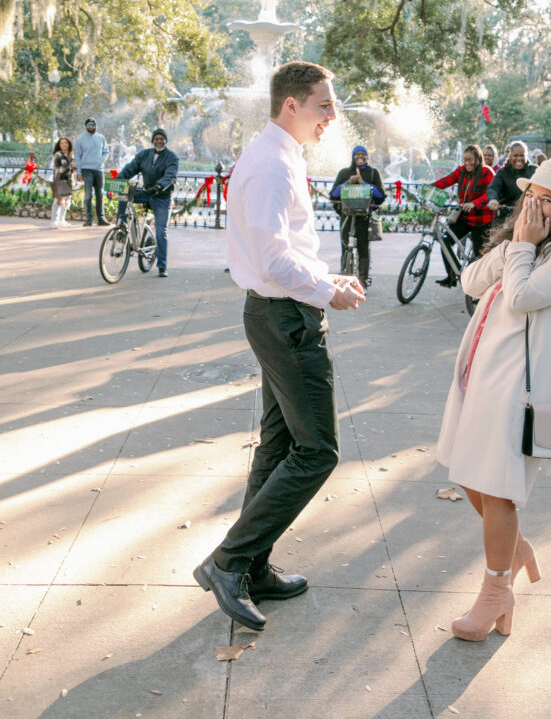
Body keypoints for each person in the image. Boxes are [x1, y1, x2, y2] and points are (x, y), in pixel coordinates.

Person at [193, 61, 365, 633]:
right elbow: (271, 259)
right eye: (323, 104)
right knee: (318, 451)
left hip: (277, 312)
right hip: (286, 319)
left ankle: (252, 567)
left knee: (279, 442)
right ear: (291, 104)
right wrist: (323, 291)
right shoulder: (270, 163)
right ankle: (229, 561)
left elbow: (283, 245)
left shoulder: (277, 155)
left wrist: (327, 279)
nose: (331, 116)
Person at [436, 158, 551, 641]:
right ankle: (515, 550)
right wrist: (515, 242)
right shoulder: (525, 242)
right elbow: (470, 283)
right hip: (482, 373)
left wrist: (524, 248)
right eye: (532, 197)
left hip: (521, 388)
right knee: (468, 474)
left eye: (547, 200)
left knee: (498, 487)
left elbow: (520, 297)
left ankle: (495, 593)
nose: (536, 207)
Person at [115, 128, 179, 277]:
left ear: (166, 141)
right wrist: (118, 178)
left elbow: (171, 176)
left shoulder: (172, 157)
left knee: (161, 231)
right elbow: (130, 168)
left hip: (162, 196)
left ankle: (162, 266)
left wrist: (159, 186)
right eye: (156, 138)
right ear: (152, 140)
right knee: (124, 194)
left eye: (162, 138)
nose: (159, 141)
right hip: (145, 193)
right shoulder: (144, 154)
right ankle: (122, 226)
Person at [432, 144, 494, 286]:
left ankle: (480, 289)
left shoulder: (487, 172)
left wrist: (475, 203)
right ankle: (453, 275)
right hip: (465, 218)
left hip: (481, 220)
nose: (467, 163)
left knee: (480, 256)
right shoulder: (461, 171)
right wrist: (429, 187)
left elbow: (491, 193)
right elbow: (446, 180)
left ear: (478, 159)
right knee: (445, 241)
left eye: (470, 160)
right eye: (465, 159)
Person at [330, 145, 386, 289]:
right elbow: (333, 194)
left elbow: (381, 195)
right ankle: (344, 277)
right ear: (353, 156)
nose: (360, 157)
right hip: (347, 216)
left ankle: (363, 280)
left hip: (364, 218)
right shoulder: (344, 173)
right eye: (357, 154)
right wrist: (347, 183)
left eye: (363, 154)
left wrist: (365, 184)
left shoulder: (373, 173)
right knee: (344, 246)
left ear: (367, 157)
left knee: (363, 248)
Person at [74, 117, 109, 226]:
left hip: (99, 170)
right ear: (85, 126)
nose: (91, 127)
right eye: (89, 125)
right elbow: (77, 157)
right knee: (88, 195)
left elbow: (106, 152)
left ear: (95, 125)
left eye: (93, 125)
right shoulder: (80, 139)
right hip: (86, 169)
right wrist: (78, 172)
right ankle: (88, 219)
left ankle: (101, 219)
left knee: (100, 194)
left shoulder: (101, 138)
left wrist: (101, 161)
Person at [487, 141, 536, 214]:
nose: (519, 158)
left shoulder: (534, 170)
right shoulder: (503, 172)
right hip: (507, 214)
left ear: (526, 156)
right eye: (515, 155)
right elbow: (493, 188)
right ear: (510, 156)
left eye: (522, 155)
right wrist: (493, 199)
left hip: (528, 213)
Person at [51, 136, 75, 229]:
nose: (64, 144)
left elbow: (73, 168)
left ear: (69, 144)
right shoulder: (58, 154)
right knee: (58, 200)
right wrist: (69, 164)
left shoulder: (71, 155)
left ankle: (62, 220)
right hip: (59, 179)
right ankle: (54, 221)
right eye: (61, 143)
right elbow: (59, 169)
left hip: (69, 180)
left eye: (66, 143)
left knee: (67, 200)